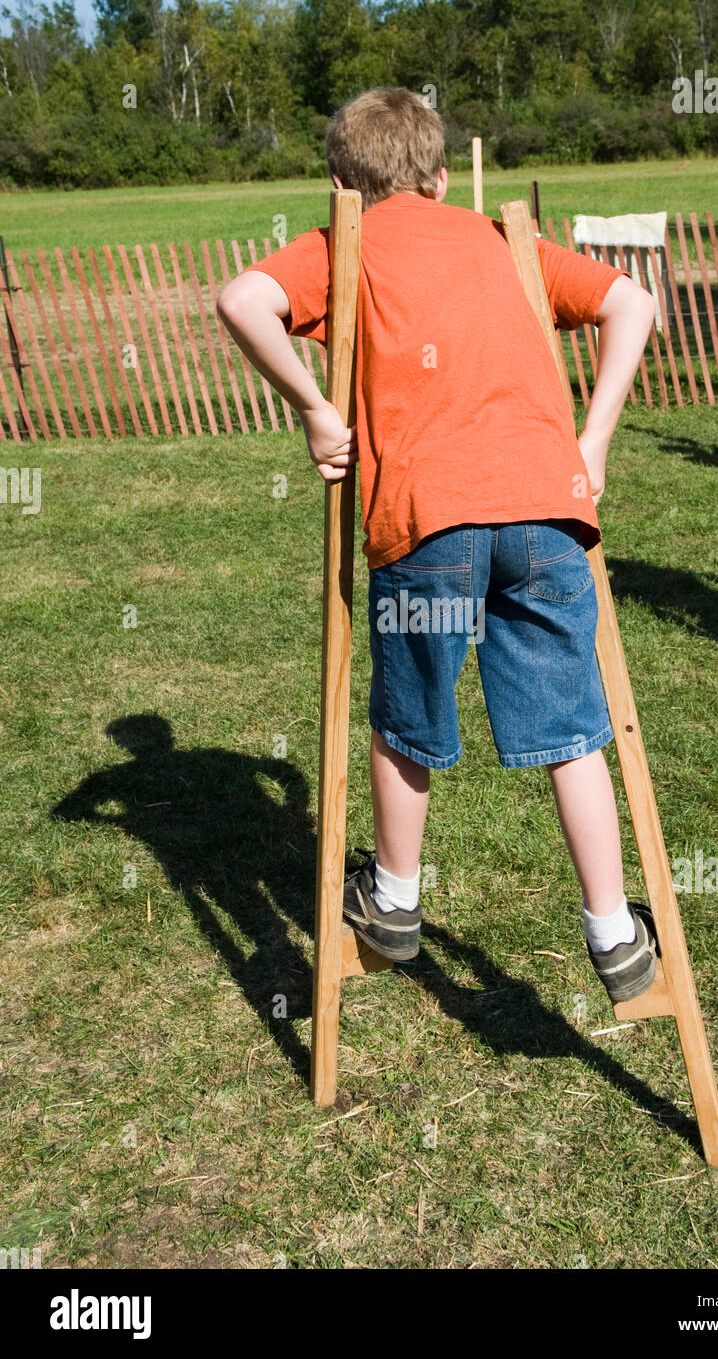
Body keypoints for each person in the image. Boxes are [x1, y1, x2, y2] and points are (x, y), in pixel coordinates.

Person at [216, 87, 657, 1006]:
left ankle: (396, 901)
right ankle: (613, 931)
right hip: (544, 510)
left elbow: (242, 299)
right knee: (572, 729)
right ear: (443, 173)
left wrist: (314, 408)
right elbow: (632, 303)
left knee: (407, 716)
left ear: (340, 180)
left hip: (425, 521)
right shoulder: (502, 239)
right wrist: (595, 441)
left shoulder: (344, 242)